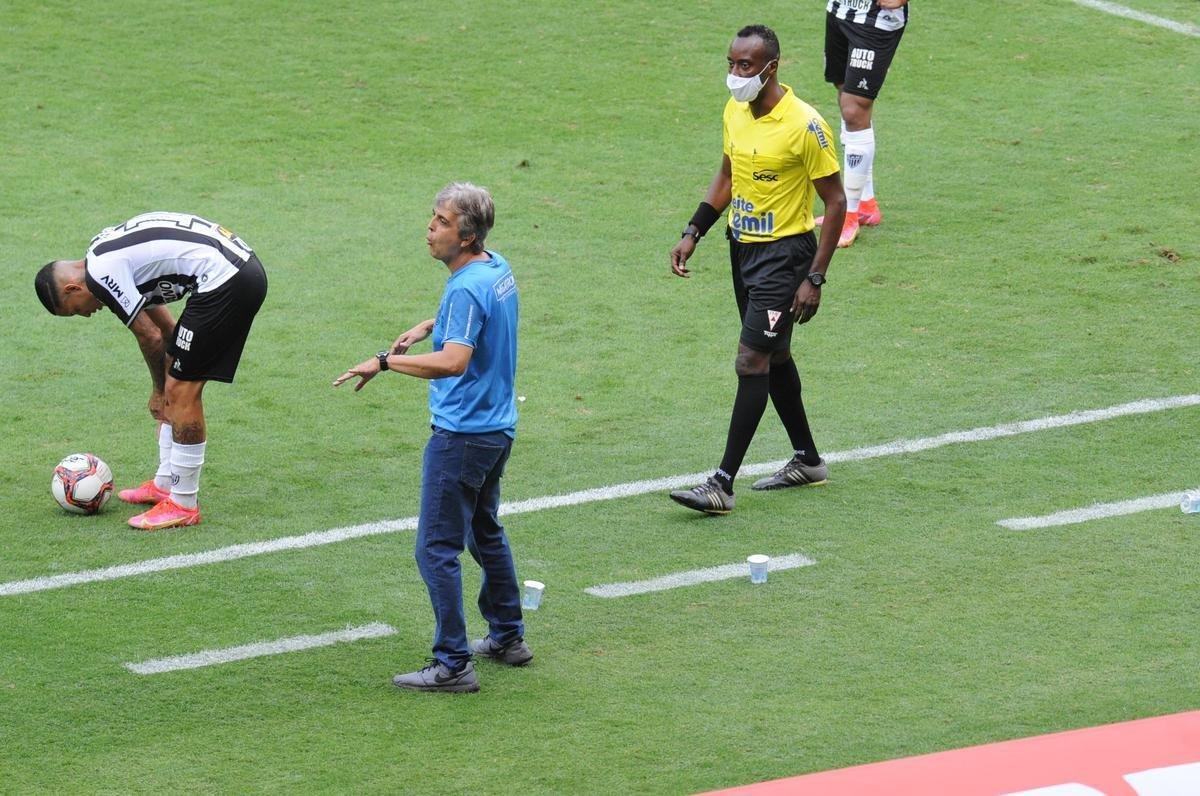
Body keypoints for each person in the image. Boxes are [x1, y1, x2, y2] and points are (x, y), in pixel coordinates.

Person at [334, 182, 528, 694]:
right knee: (483, 530)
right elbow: (475, 319)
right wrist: (430, 324)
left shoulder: (466, 286)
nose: (430, 228)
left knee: (435, 549)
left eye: (441, 221)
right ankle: (508, 636)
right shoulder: (494, 266)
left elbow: (454, 361)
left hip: (462, 435)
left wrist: (384, 361)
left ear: (466, 236)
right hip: (497, 427)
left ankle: (453, 664)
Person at [668, 24, 845, 515]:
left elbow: (835, 203)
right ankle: (808, 460)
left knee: (751, 361)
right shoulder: (734, 110)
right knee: (776, 355)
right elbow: (728, 175)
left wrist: (814, 276)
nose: (734, 74)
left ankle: (721, 484)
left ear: (771, 67)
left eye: (744, 66)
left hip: (784, 257)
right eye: (731, 63)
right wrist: (694, 230)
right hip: (741, 250)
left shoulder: (805, 125)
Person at [34, 212, 268, 530]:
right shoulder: (99, 252)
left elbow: (150, 335)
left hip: (227, 280)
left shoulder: (100, 275)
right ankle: (165, 484)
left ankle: (183, 504)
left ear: (74, 288)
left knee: (179, 391)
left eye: (77, 311)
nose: (87, 315)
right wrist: (170, 364)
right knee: (175, 372)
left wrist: (159, 391)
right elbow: (165, 329)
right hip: (232, 270)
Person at [822, 0, 910, 247]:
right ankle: (865, 204)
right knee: (844, 92)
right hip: (840, 9)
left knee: (854, 108)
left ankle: (846, 215)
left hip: (876, 19)